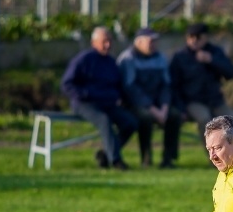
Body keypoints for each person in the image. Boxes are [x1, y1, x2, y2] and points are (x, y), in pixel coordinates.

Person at [61, 26, 137, 170]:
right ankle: (116, 161)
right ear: (94, 43)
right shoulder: (84, 60)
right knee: (104, 120)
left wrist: (121, 98)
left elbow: (118, 85)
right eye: (104, 42)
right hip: (85, 104)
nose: (107, 45)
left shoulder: (111, 62)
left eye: (109, 41)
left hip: (108, 104)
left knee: (130, 123)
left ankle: (106, 154)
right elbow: (67, 84)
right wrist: (85, 94)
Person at [169, 23, 233, 145]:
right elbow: (173, 85)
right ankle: (215, 154)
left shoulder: (215, 52)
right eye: (191, 37)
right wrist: (181, 108)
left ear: (205, 37)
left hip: (215, 100)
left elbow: (231, 73)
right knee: (206, 121)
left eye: (198, 37)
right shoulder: (180, 57)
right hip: (193, 101)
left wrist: (211, 60)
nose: (194, 40)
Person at [117, 27, 182, 168]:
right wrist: (153, 110)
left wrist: (164, 107)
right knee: (145, 117)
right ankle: (146, 159)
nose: (153, 44)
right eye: (150, 41)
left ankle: (168, 159)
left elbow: (166, 85)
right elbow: (131, 89)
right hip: (133, 104)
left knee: (175, 116)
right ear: (138, 42)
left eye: (154, 41)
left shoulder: (160, 58)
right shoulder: (128, 58)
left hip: (158, 104)